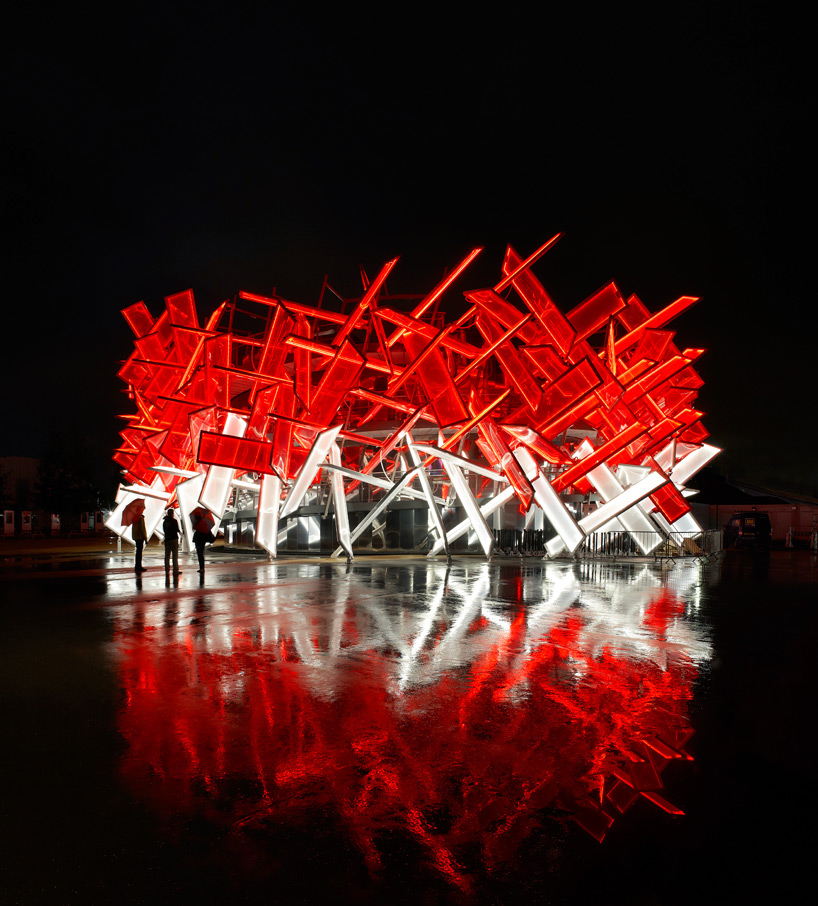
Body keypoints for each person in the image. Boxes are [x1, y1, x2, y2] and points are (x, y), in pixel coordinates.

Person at [162, 507, 182, 574]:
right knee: (175, 555)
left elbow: (164, 530)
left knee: (167, 555)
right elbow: (176, 529)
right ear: (172, 514)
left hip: (167, 539)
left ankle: (167, 569)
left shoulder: (165, 522)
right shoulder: (174, 521)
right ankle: (175, 570)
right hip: (174, 539)